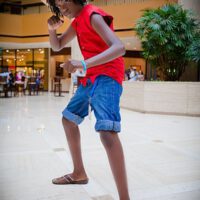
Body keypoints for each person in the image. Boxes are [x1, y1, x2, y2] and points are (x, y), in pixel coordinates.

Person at [46, 0, 130, 199]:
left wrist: (82, 63)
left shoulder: (92, 15)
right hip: (91, 76)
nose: (61, 7)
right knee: (68, 119)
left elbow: (119, 47)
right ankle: (79, 173)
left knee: (107, 132)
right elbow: (57, 46)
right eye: (57, 5)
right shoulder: (76, 22)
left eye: (63, 1)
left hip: (108, 75)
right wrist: (51, 29)